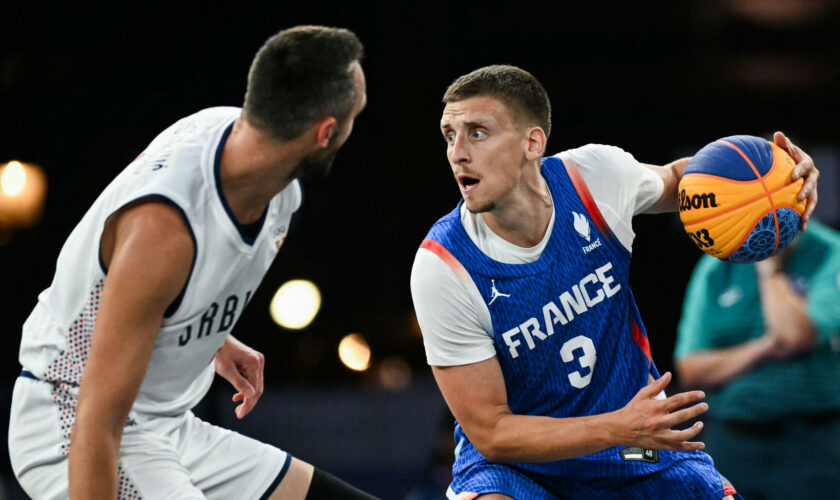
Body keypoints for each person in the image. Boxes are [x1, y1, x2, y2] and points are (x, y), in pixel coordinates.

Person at [409, 64, 819, 499]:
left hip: (631, 444)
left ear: (532, 142)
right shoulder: (443, 266)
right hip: (519, 464)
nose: (457, 153)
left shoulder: (594, 178)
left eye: (477, 132)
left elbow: (686, 181)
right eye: (449, 135)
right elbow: (492, 432)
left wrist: (778, 180)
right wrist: (618, 425)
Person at [9, 25, 378, 500]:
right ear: (326, 132)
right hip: (74, 422)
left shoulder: (255, 161)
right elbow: (95, 423)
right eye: (356, 116)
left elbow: (149, 290)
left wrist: (209, 334)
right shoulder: (164, 229)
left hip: (168, 425)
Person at [674, 221, 840, 499]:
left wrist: (770, 267)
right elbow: (689, 367)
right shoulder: (717, 265)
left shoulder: (829, 250)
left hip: (811, 442)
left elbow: (793, 336)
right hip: (732, 438)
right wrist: (761, 349)